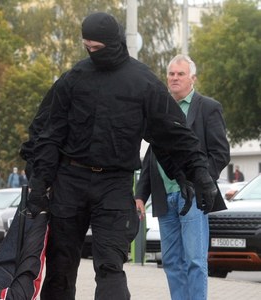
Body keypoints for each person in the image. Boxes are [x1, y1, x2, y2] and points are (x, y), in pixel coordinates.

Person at [28, 12, 220, 299]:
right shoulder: (73, 79)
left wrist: (199, 175)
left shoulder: (143, 82)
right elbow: (47, 133)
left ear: (113, 42)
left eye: (97, 48)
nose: (93, 54)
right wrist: (38, 183)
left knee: (110, 265)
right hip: (70, 181)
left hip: (114, 186)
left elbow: (172, 134)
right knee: (60, 267)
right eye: (87, 48)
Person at [135, 54, 230, 300]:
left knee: (195, 261)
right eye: (171, 74)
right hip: (164, 197)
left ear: (193, 78)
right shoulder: (159, 110)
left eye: (180, 74)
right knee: (171, 262)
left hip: (194, 199)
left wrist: (200, 180)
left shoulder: (208, 107)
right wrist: (139, 195)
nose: (175, 78)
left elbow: (220, 154)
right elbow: (151, 157)